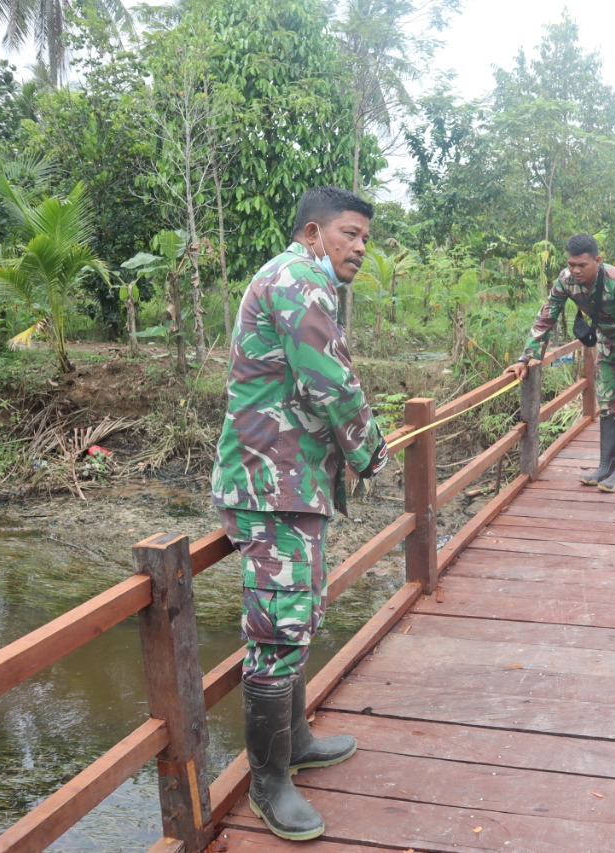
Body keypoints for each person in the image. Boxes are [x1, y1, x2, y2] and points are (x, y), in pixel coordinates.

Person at [211, 186, 389, 841]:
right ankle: (269, 781)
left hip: (289, 480)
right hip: (269, 485)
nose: (361, 248)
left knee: (300, 613)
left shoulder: (300, 278)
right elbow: (330, 381)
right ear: (314, 232)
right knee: (279, 630)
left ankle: (297, 739)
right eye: (350, 234)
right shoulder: (299, 280)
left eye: (366, 238)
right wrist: (371, 450)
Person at [503, 233, 615, 493]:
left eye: (581, 265)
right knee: (607, 404)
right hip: (607, 340)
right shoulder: (565, 281)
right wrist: (526, 358)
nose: (575, 270)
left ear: (597, 260)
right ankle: (605, 467)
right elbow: (546, 317)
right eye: (571, 264)